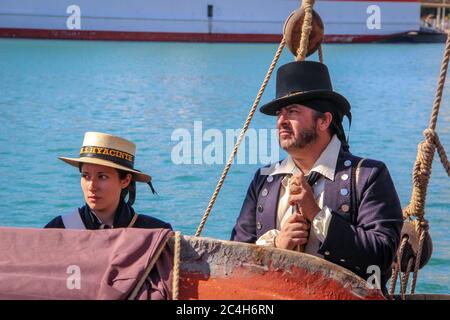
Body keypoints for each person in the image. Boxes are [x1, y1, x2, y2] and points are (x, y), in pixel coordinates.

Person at [230, 61, 403, 293]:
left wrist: (316, 215)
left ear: (324, 121)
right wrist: (276, 245)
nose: (281, 121)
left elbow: (381, 257)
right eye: (280, 114)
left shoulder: (368, 175)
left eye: (292, 111)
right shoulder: (264, 179)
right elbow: (236, 258)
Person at [45, 131, 171, 230]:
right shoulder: (58, 229)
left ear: (126, 180)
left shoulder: (155, 233)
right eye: (86, 176)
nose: (91, 186)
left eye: (102, 177)